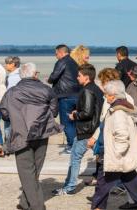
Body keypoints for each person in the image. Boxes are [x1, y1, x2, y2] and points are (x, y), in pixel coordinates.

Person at [0, 63, 62, 210]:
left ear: (22, 75)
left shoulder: (12, 92)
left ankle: (37, 206)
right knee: (34, 170)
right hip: (41, 133)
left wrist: (15, 117)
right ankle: (24, 202)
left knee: (26, 171)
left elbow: (4, 112)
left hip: (21, 134)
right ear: (35, 74)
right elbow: (54, 112)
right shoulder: (47, 90)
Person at [91, 80, 137, 210]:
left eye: (106, 94)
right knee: (133, 184)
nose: (105, 96)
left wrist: (116, 154)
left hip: (117, 157)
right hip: (122, 158)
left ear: (113, 95)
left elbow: (122, 135)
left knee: (102, 186)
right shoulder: (122, 107)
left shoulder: (118, 112)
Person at [52, 63, 103, 196]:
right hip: (92, 129)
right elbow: (91, 109)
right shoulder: (95, 89)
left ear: (86, 77)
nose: (77, 77)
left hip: (86, 130)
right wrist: (78, 110)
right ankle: (117, 183)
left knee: (75, 158)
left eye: (79, 75)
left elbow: (87, 113)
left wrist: (74, 115)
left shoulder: (87, 90)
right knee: (103, 156)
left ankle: (69, 187)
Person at [48, 44, 81, 154]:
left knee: (66, 123)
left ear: (61, 52)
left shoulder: (61, 61)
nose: (55, 55)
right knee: (74, 122)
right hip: (76, 95)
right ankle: (75, 144)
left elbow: (53, 77)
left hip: (65, 96)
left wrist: (49, 80)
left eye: (56, 53)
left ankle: (71, 146)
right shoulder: (73, 62)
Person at [3, 56, 21, 144]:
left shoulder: (14, 77)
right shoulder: (21, 74)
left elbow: (9, 93)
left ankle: (8, 145)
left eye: (7, 64)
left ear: (13, 64)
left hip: (12, 104)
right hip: (19, 105)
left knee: (8, 125)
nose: (5, 65)